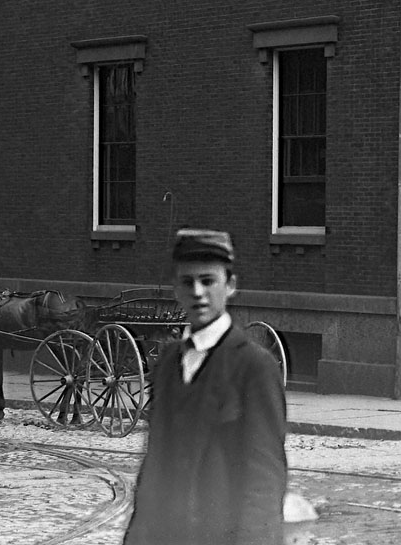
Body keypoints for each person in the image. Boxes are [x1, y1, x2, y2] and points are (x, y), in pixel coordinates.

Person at [123, 229, 287, 545]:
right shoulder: (169, 361)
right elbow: (154, 464)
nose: (198, 292)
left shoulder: (255, 367)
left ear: (231, 285)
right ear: (176, 289)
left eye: (208, 281)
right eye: (188, 282)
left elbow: (264, 482)